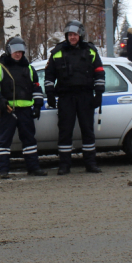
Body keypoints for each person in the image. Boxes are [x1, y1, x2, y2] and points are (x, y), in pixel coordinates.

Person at [44, 20, 106, 175]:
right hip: (66, 97)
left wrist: (98, 94)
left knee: (88, 130)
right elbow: (49, 75)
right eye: (70, 35)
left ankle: (90, 164)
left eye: (75, 34)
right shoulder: (57, 52)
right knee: (65, 131)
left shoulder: (91, 51)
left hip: (85, 96)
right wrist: (50, 94)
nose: (72, 37)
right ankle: (64, 165)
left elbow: (99, 73)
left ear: (80, 35)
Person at [0, 37, 47, 179]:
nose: (18, 54)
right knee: (4, 141)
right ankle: (3, 170)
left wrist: (37, 105)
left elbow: (36, 87)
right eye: (15, 51)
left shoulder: (29, 68)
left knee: (29, 141)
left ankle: (33, 168)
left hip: (25, 112)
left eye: (21, 51)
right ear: (8, 51)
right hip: (7, 110)